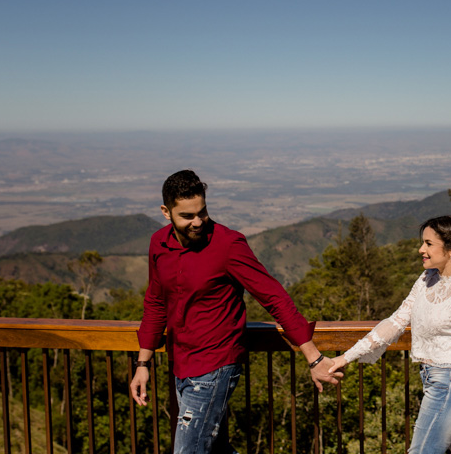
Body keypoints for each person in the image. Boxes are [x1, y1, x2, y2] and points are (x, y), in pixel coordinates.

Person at [129, 170, 340, 454]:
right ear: (166, 212)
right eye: (187, 216)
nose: (197, 222)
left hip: (215, 366)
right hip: (180, 363)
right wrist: (143, 364)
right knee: (214, 449)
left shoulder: (228, 245)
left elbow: (273, 296)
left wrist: (313, 357)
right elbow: (155, 302)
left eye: (202, 212)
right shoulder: (159, 244)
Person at [328, 215, 451, 454]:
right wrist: (345, 357)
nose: (421, 249)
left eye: (428, 244)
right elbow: (396, 321)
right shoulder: (428, 278)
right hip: (443, 385)